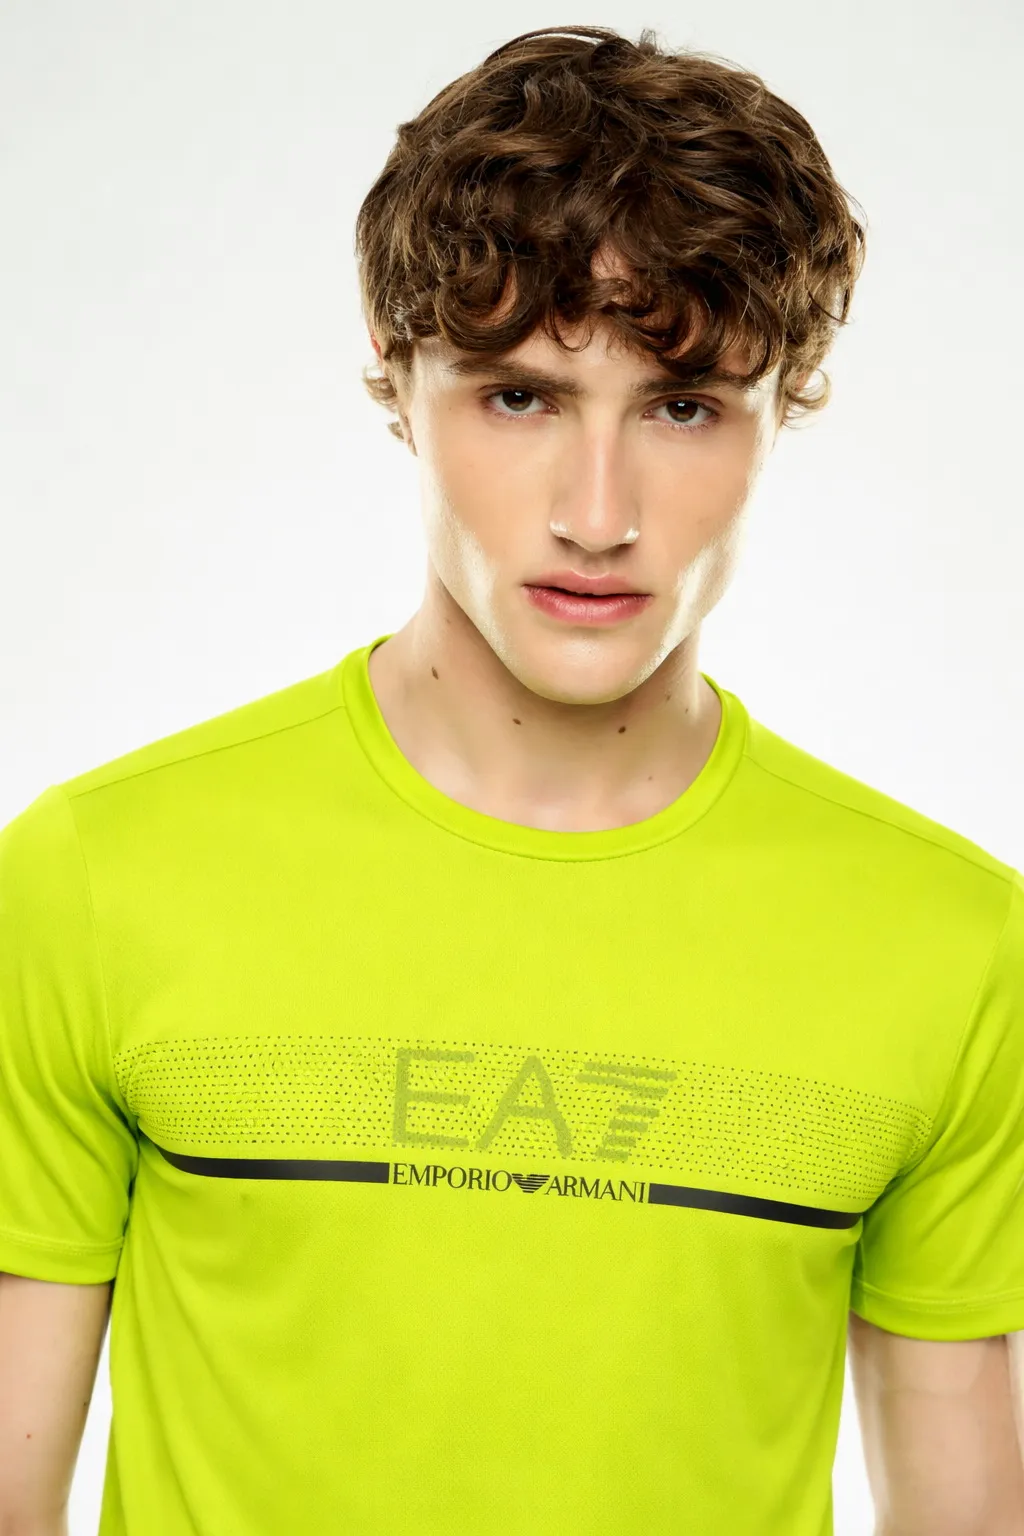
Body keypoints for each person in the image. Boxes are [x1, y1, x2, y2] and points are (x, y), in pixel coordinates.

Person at [1, 23, 1022, 1536]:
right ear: (396, 369)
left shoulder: (951, 942)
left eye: (683, 405)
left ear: (785, 401)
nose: (598, 516)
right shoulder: (95, 878)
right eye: (521, 396)